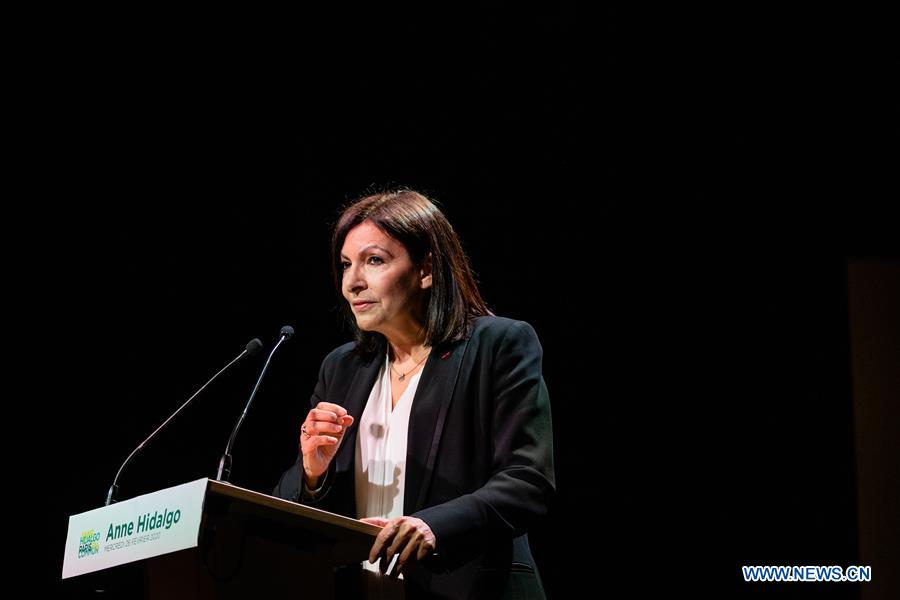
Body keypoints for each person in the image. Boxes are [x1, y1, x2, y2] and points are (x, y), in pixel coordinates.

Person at [273, 189, 555, 599]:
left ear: (425, 270)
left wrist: (434, 526)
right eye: (346, 265)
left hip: (473, 588)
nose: (352, 282)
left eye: (374, 261)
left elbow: (528, 480)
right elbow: (289, 503)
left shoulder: (498, 344)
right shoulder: (342, 367)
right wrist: (314, 474)